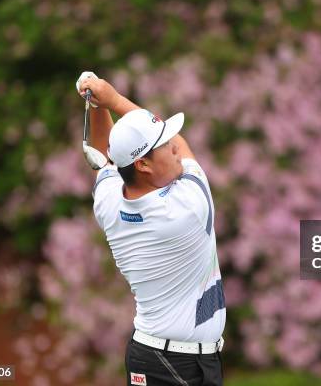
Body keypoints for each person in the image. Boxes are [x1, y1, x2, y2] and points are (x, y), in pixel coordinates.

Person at [76, 72, 225, 386]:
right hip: (175, 362)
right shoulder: (187, 207)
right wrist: (112, 100)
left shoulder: (109, 202)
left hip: (161, 355)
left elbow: (107, 159)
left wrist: (98, 105)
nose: (174, 148)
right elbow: (113, 158)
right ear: (143, 165)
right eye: (164, 145)